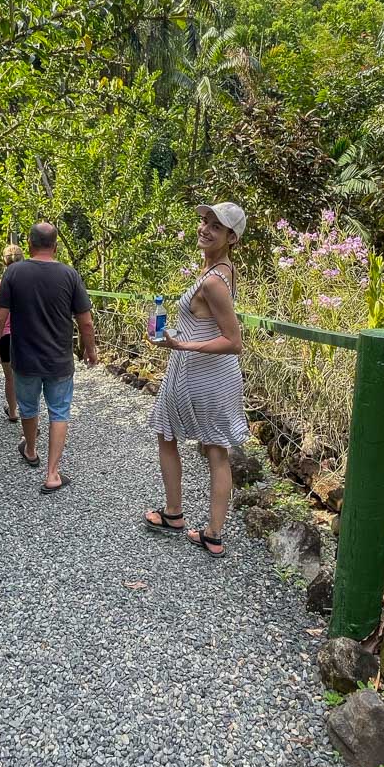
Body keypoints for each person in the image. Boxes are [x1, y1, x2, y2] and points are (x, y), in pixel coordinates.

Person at [144, 202, 249, 558]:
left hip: (201, 373)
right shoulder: (222, 271)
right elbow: (206, 324)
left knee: (179, 438)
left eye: (215, 227)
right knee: (215, 450)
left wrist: (179, 343)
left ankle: (176, 514)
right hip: (205, 371)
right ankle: (212, 534)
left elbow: (233, 342)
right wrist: (175, 335)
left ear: (231, 237)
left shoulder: (214, 281)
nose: (205, 228)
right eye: (204, 221)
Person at [0, 222, 98, 493]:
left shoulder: (14, 273)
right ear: (55, 245)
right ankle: (52, 474)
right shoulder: (70, 274)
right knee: (59, 410)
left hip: (24, 357)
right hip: (59, 358)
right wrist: (90, 350)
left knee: (28, 406)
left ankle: (32, 450)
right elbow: (85, 322)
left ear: (29, 244)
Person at [0, 243, 25, 422]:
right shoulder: (30, 283)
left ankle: (13, 411)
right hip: (26, 335)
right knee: (27, 377)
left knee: (10, 378)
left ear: (3, 262)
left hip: (5, 336)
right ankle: (29, 413)